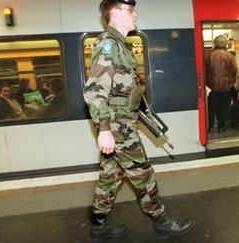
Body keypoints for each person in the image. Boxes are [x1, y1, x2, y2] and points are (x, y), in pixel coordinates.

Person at [83, 0, 195, 242]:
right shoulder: (108, 46)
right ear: (114, 13)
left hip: (122, 122)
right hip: (118, 127)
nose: (135, 14)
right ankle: (162, 221)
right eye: (130, 10)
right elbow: (94, 91)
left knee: (110, 175)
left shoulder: (121, 46)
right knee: (142, 173)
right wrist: (104, 130)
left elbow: (121, 88)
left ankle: (98, 225)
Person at [205, 35, 237, 132]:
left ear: (215, 43)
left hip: (211, 86)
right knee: (223, 107)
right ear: (225, 44)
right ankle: (221, 126)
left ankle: (210, 126)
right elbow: (234, 71)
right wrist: (231, 82)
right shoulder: (230, 56)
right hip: (225, 86)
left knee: (211, 107)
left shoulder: (207, 55)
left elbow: (204, 70)